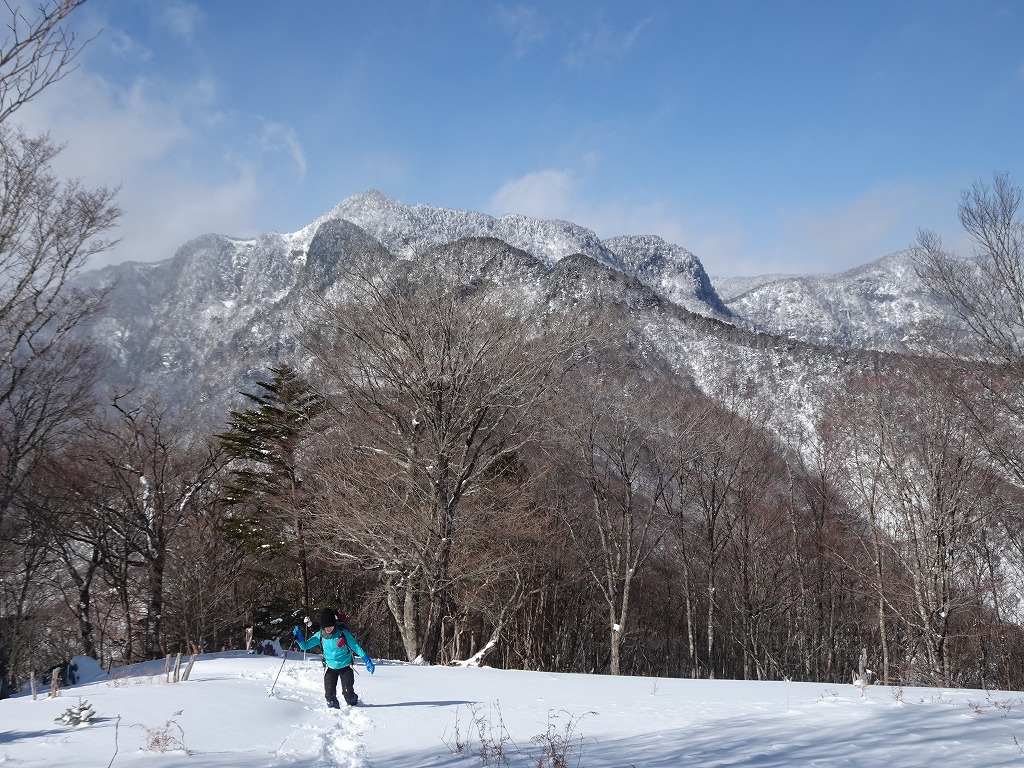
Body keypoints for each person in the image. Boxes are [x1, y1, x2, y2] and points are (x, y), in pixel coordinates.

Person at [293, 608, 375, 708]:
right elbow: (305, 646)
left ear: (334, 624)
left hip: (345, 666)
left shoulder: (342, 632)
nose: (328, 629)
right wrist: (299, 638)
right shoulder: (320, 635)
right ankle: (332, 712)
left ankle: (353, 701)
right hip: (330, 667)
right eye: (326, 627)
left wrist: (367, 660)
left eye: (331, 626)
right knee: (329, 695)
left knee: (348, 694)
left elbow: (355, 646)